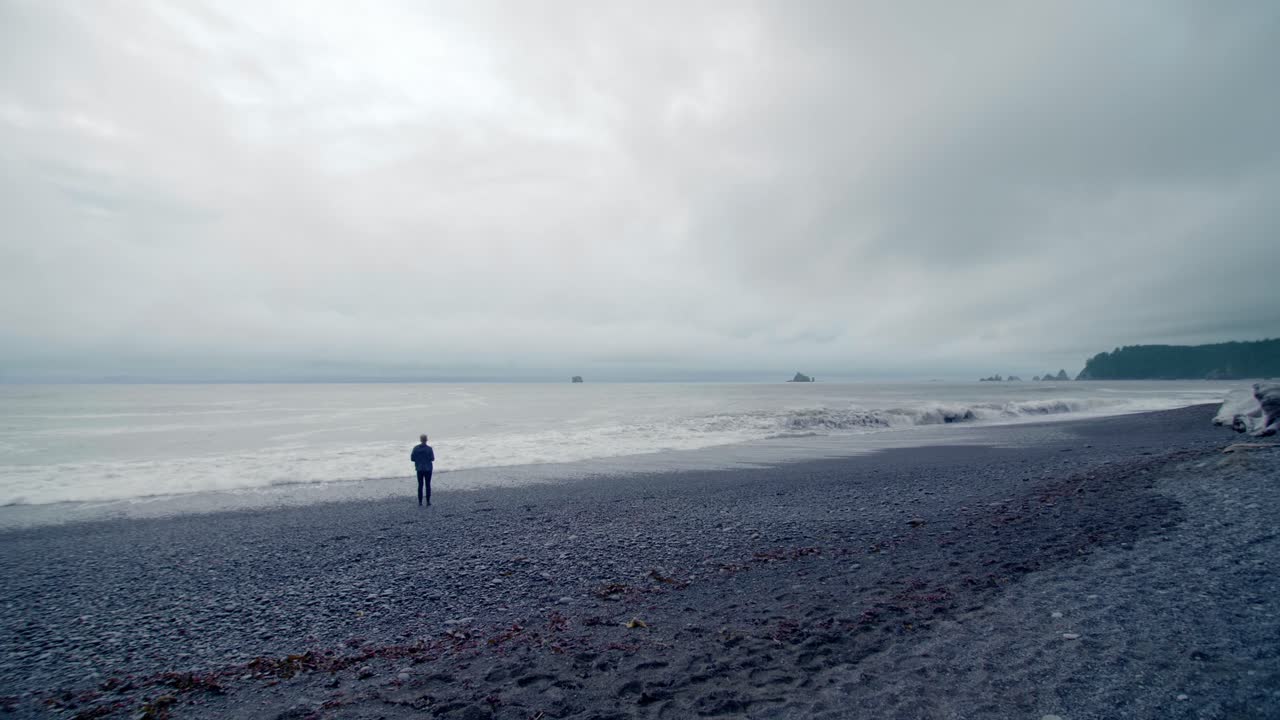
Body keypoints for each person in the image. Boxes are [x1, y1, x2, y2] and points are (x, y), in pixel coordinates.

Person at [410, 434, 435, 506]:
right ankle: (428, 501)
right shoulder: (429, 449)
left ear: (420, 440)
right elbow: (432, 459)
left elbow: (412, 459)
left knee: (420, 485)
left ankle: (420, 502)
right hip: (428, 468)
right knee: (428, 484)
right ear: (426, 440)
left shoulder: (415, 448)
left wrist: (418, 460)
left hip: (419, 468)